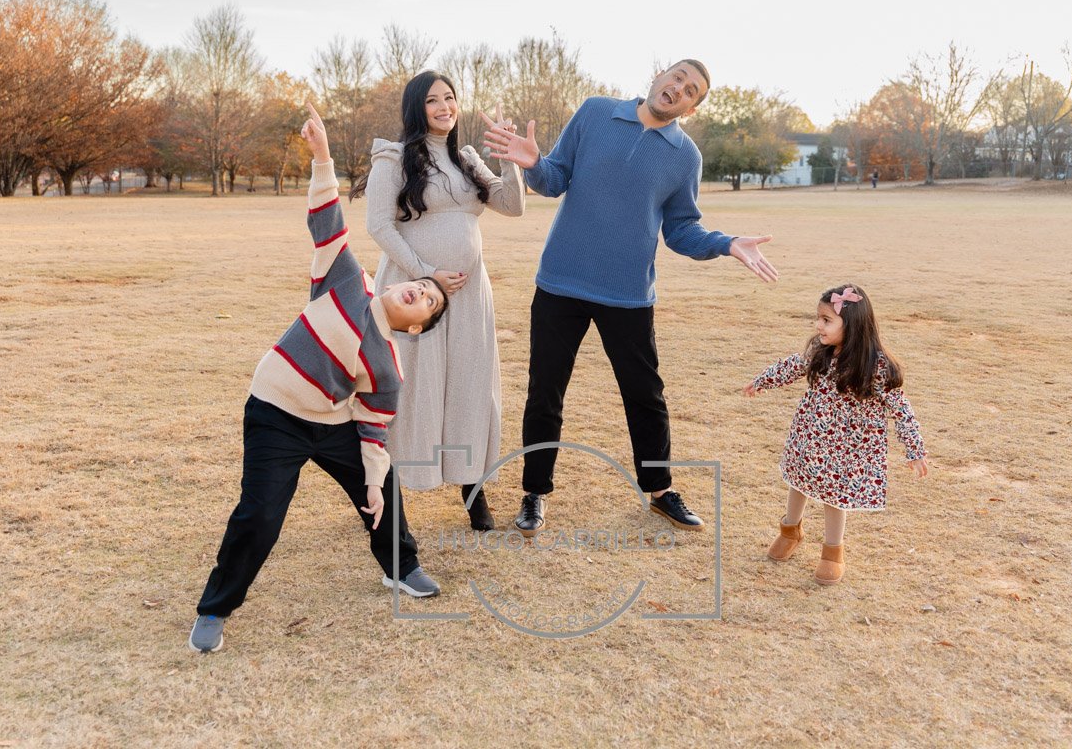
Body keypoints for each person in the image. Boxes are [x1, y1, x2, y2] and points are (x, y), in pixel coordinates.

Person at [188, 106, 450, 654]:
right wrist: (324, 157)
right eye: (420, 284)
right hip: (275, 413)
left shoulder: (388, 369)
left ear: (418, 325)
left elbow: (373, 432)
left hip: (331, 424)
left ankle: (401, 566)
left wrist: (373, 483)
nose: (418, 292)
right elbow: (328, 217)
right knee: (260, 513)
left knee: (384, 492)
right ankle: (215, 609)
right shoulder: (345, 282)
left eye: (427, 301)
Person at [481, 59, 778, 537]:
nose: (679, 89)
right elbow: (554, 180)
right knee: (544, 394)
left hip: (628, 295)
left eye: (691, 90)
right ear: (659, 76)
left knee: (645, 396)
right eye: (677, 78)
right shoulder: (596, 112)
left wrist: (726, 243)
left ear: (693, 107)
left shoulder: (685, 157)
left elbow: (681, 230)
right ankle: (534, 493)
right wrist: (533, 162)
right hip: (561, 282)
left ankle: (660, 490)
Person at [361, 71, 525, 530]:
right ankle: (385, 494)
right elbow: (379, 226)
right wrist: (425, 274)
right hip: (414, 294)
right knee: (413, 388)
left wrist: (511, 157)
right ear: (417, 108)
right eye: (433, 100)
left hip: (471, 295)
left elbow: (512, 206)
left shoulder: (467, 159)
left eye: (450, 98)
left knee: (470, 386)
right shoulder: (392, 159)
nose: (444, 107)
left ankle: (473, 488)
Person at [742, 283, 929, 585]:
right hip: (810, 434)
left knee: (834, 495)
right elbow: (792, 366)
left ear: (852, 325)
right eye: (818, 318)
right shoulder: (820, 352)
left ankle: (832, 552)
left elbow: (900, 407)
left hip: (846, 446)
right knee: (799, 479)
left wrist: (915, 449)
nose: (818, 325)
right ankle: (790, 530)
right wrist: (762, 381)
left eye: (827, 320)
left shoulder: (876, 366)